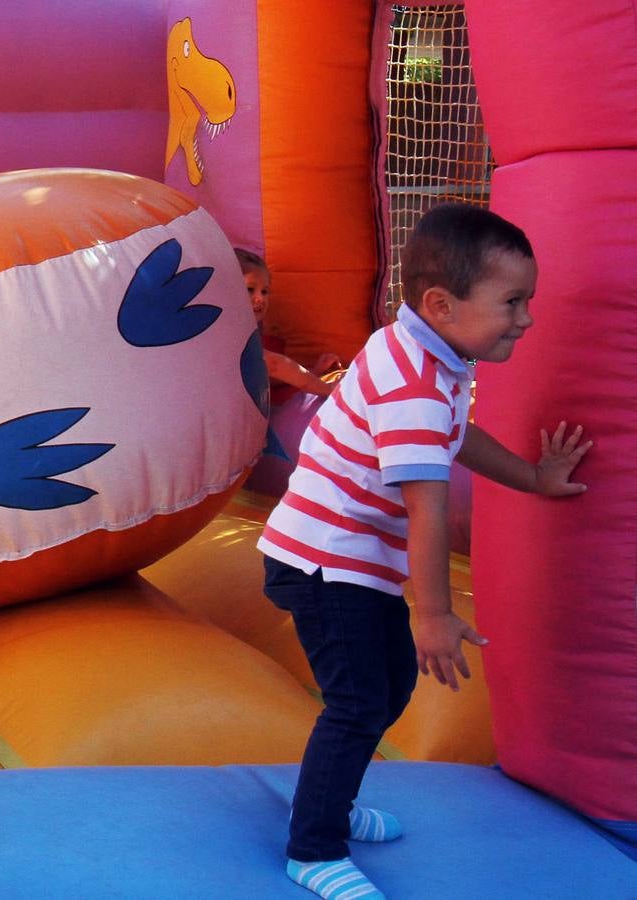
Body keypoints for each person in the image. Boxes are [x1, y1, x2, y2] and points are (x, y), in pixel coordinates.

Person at [256, 204, 592, 900]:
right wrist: (432, 614)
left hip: (349, 561)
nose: (526, 319)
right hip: (324, 562)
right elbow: (426, 509)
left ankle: (328, 798)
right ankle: (312, 845)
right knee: (357, 702)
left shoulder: (422, 355)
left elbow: (454, 433)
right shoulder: (413, 381)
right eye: (512, 302)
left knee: (390, 688)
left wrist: (531, 478)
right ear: (441, 304)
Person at [236, 248, 342, 402]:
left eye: (264, 291)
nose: (260, 298)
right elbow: (274, 365)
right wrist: (327, 389)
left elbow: (263, 373)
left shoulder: (248, 330)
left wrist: (313, 372)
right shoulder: (230, 333)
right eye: (250, 289)